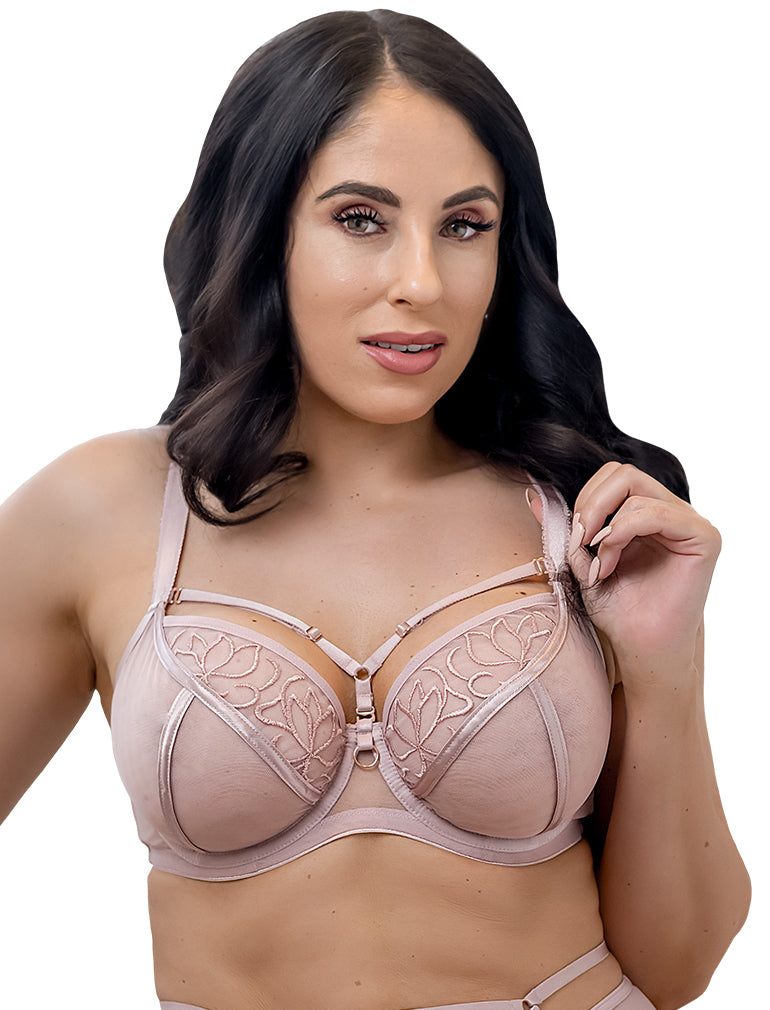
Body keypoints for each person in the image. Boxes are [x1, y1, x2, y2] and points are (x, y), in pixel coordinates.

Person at [0, 9, 750, 1010]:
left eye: (464, 225)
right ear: (259, 229)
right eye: (361, 218)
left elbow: (677, 967)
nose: (421, 282)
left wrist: (666, 665)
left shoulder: (582, 516)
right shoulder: (98, 512)